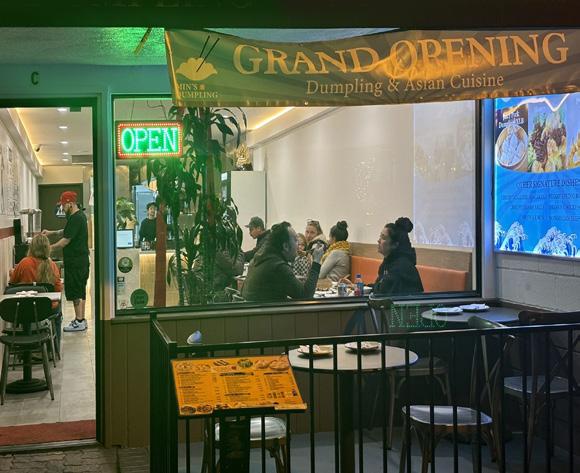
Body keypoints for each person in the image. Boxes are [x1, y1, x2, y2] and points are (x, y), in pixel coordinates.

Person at [43, 191, 90, 332]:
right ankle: (81, 319)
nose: (62, 208)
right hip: (80, 260)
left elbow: (65, 241)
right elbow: (67, 231)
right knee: (80, 289)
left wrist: (48, 248)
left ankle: (79, 321)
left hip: (76, 261)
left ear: (70, 203)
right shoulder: (78, 216)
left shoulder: (76, 218)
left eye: (63, 205)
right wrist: (51, 233)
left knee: (76, 290)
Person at [242, 222, 324, 302]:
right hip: (269, 311)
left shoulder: (259, 259)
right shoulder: (278, 267)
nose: (298, 245)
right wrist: (316, 262)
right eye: (296, 240)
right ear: (286, 246)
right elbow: (306, 296)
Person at [9, 234, 64, 349]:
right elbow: (58, 290)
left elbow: (12, 283)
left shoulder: (24, 263)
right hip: (47, 309)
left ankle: (27, 345)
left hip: (25, 309)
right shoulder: (52, 265)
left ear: (32, 247)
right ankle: (55, 348)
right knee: (58, 312)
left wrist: (12, 272)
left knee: (27, 309)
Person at [372, 217, 424, 295]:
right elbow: (380, 287)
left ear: (395, 245)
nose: (378, 240)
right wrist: (360, 287)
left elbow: (383, 294)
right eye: (380, 236)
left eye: (383, 237)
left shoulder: (401, 267)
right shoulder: (388, 262)